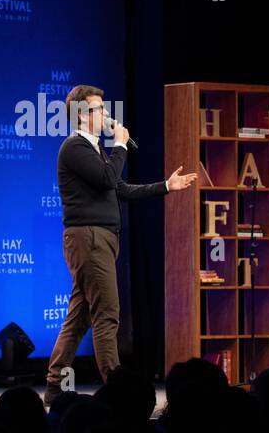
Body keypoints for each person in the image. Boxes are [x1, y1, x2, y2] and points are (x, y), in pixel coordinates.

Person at [44, 85, 196, 408]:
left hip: (101, 240)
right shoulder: (74, 148)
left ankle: (55, 388)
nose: (107, 116)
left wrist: (166, 186)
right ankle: (118, 391)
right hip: (89, 239)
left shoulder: (96, 150)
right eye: (100, 110)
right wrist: (121, 146)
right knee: (107, 313)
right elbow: (106, 179)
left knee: (80, 317)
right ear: (83, 115)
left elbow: (119, 189)